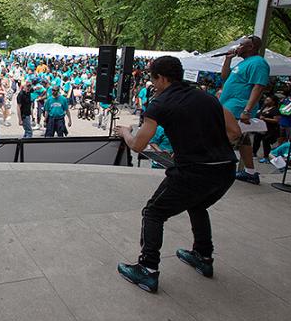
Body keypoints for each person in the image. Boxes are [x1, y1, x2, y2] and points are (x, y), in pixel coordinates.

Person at [114, 56, 241, 293]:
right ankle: (203, 257)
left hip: (194, 172)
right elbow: (235, 131)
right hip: (225, 169)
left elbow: (139, 145)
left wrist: (125, 132)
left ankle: (148, 270)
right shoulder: (208, 97)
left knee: (153, 213)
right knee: (197, 206)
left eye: (154, 80)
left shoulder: (160, 103)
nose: (154, 85)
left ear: (161, 78)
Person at [220, 36, 270, 185]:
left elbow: (258, 86)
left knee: (223, 136)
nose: (238, 47)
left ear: (251, 47)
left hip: (238, 108)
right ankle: (250, 172)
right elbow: (224, 77)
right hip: (229, 105)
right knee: (243, 140)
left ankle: (217, 168)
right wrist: (228, 59)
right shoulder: (242, 64)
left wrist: (247, 110)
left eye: (242, 44)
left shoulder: (258, 63)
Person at [253, 95, 280, 162]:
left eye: (268, 100)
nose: (266, 101)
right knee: (256, 140)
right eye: (266, 100)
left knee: (266, 142)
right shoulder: (263, 107)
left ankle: (266, 157)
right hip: (260, 128)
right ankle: (254, 153)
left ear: (273, 102)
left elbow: (276, 120)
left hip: (269, 129)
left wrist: (265, 119)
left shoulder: (275, 110)